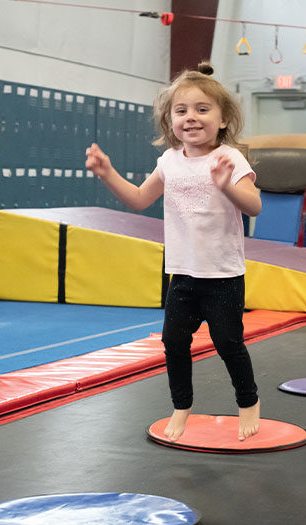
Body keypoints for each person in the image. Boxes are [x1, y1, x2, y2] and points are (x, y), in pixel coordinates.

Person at [86, 62, 262, 442]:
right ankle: (182, 405)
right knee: (173, 343)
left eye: (202, 109)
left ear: (223, 118)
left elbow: (254, 206)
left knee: (228, 342)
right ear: (169, 121)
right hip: (182, 273)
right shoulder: (168, 161)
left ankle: (248, 402)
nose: (191, 118)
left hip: (222, 274)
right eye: (181, 111)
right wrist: (107, 173)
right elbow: (137, 198)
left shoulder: (228, 158)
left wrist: (226, 185)